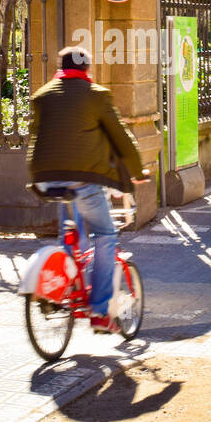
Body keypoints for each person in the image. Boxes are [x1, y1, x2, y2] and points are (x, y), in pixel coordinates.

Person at [28, 46, 149, 333]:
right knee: (106, 234)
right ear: (87, 70)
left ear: (60, 67)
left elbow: (38, 135)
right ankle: (98, 311)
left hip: (46, 178)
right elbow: (120, 137)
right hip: (82, 179)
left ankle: (64, 284)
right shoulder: (97, 96)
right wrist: (136, 171)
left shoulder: (42, 96)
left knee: (71, 234)